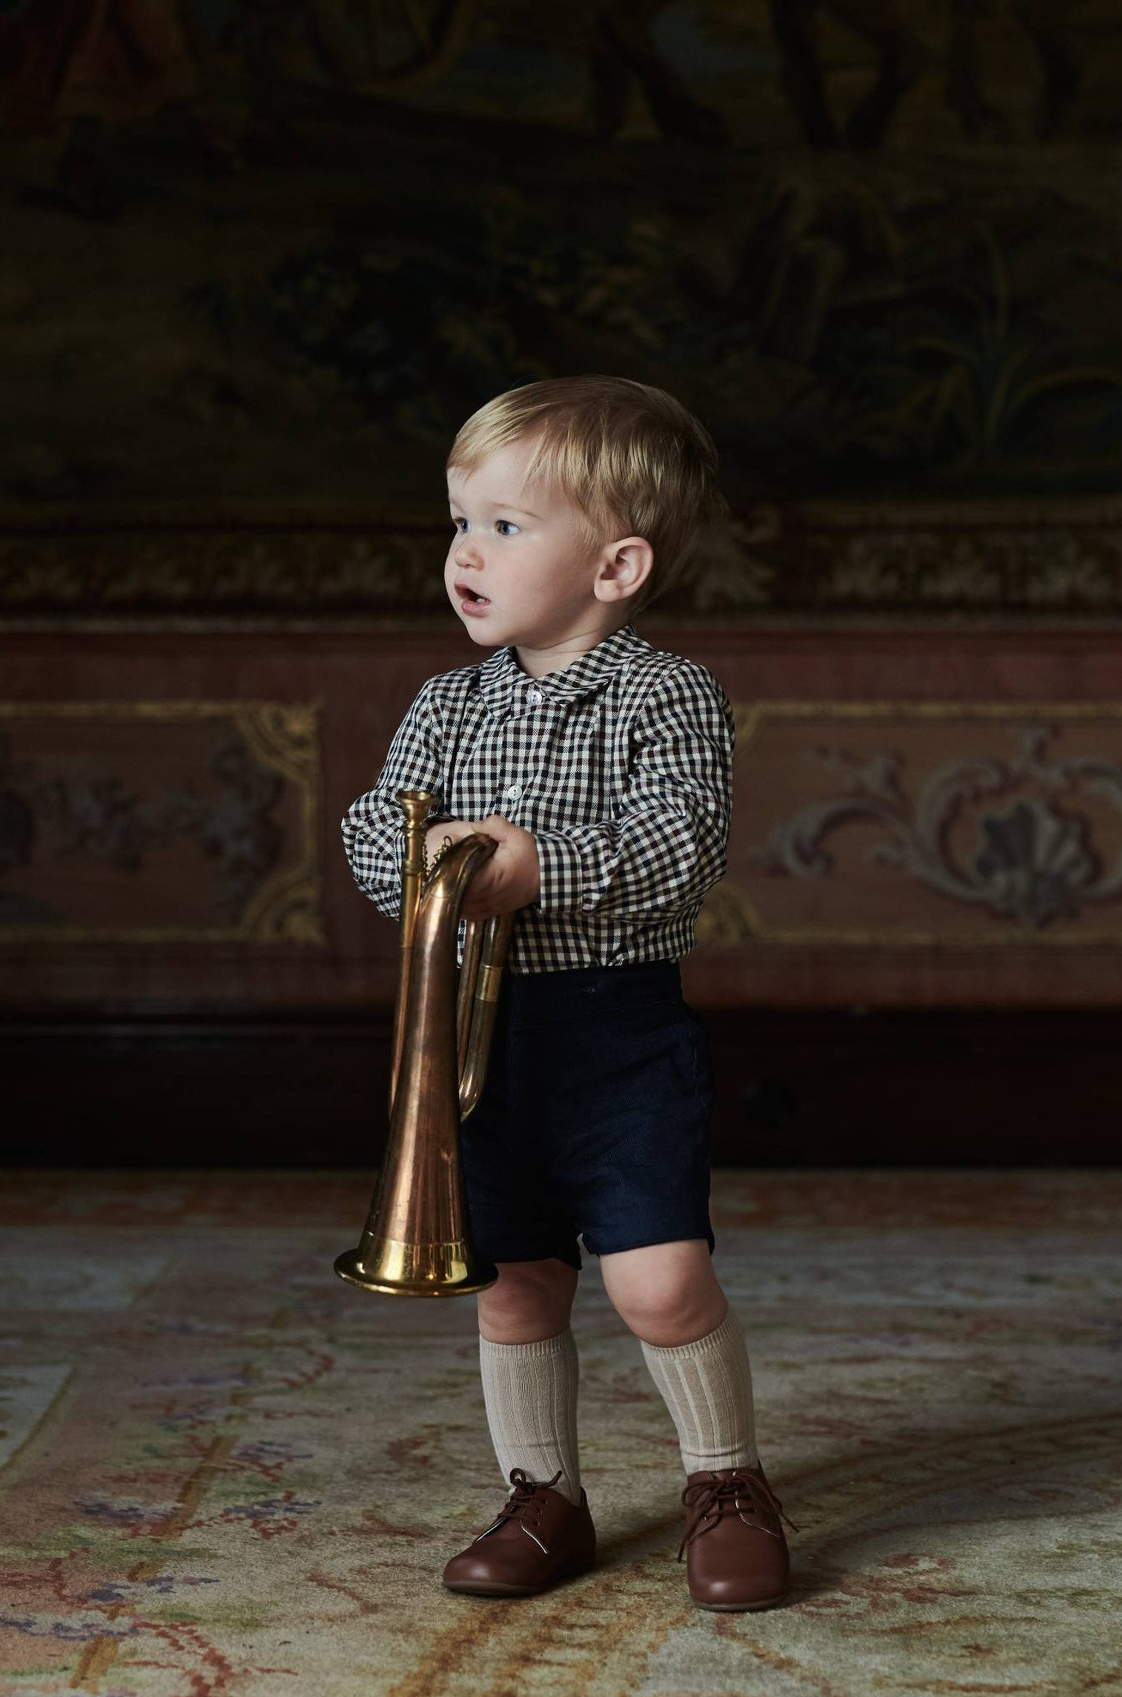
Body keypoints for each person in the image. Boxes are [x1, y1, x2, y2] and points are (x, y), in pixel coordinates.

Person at [341, 375, 792, 1611]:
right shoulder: (445, 704)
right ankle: (544, 1496)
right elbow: (371, 827)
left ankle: (725, 1480)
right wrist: (414, 864)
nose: (464, 554)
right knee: (513, 1283)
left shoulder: (669, 696)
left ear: (616, 566)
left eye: (503, 525)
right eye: (457, 522)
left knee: (658, 1284)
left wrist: (532, 866)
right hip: (476, 1040)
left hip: (614, 1034)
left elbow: (676, 848)